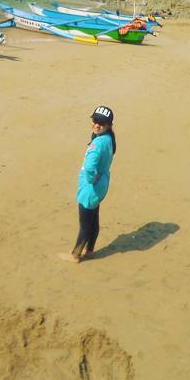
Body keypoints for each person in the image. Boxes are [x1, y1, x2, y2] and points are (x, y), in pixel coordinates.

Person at [59, 106, 116, 263]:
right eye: (95, 121)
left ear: (109, 125)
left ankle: (75, 254)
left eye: (101, 123)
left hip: (91, 189)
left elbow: (90, 167)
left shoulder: (96, 146)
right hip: (102, 185)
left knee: (85, 224)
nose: (97, 125)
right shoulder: (109, 139)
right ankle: (90, 249)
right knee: (93, 219)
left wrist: (90, 180)